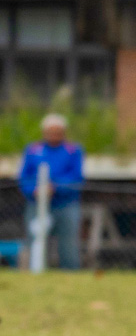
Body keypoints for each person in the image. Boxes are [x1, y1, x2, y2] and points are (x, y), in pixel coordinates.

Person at [18, 113, 83, 270]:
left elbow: (76, 177)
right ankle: (32, 272)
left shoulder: (73, 151)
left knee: (68, 243)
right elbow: (24, 176)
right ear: (44, 132)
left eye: (57, 131)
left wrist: (56, 187)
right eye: (50, 131)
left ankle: (71, 274)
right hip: (37, 203)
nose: (54, 135)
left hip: (65, 204)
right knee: (35, 239)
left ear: (63, 132)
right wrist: (34, 190)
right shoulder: (33, 150)